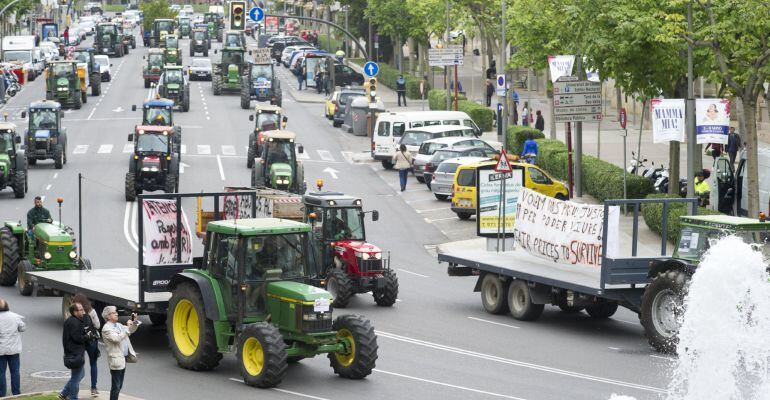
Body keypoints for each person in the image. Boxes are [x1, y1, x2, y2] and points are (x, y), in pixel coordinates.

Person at [101, 306, 138, 400]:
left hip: (123, 358)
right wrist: (127, 329)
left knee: (119, 385)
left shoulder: (118, 325)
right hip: (116, 360)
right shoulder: (106, 329)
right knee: (116, 386)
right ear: (108, 316)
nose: (117, 314)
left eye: (116, 312)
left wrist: (134, 323)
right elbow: (116, 338)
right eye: (114, 313)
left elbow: (130, 330)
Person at [60, 302, 91, 400]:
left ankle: (64, 394)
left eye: (83, 309)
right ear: (74, 312)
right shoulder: (74, 322)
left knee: (80, 375)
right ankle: (72, 397)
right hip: (75, 353)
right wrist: (87, 336)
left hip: (74, 352)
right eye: (81, 310)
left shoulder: (73, 320)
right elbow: (77, 338)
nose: (83, 311)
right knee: (76, 377)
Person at [72, 294, 100, 396]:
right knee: (93, 364)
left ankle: (75, 388)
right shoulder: (92, 311)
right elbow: (97, 325)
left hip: (80, 341)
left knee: (79, 364)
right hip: (92, 340)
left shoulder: (75, 313)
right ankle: (93, 388)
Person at [0, 299, 25, 397]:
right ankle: (16, 393)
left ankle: (2, 394)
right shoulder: (15, 316)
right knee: (15, 372)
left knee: (1, 372)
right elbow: (22, 328)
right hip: (14, 349)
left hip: (1, 350)